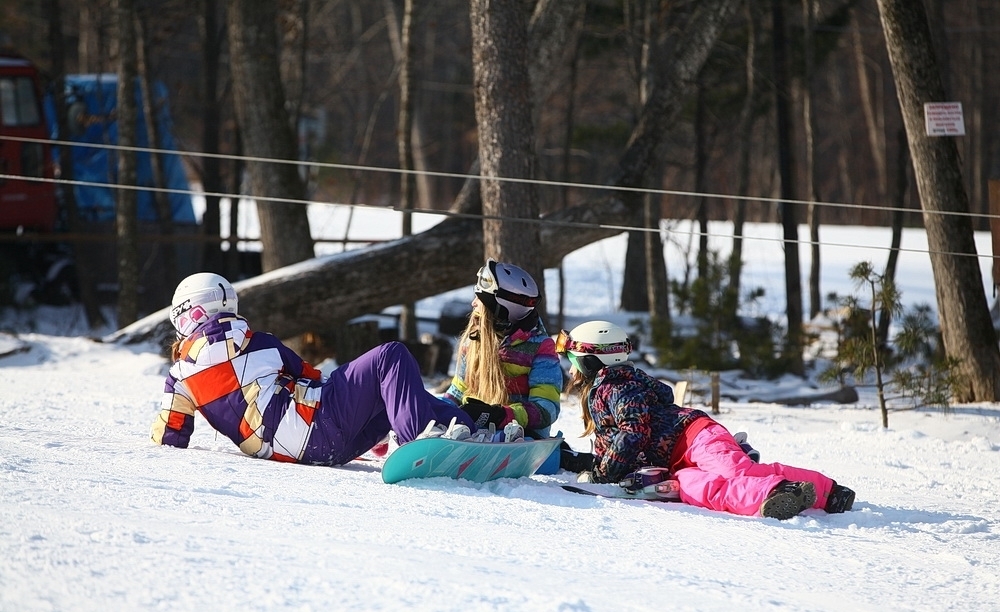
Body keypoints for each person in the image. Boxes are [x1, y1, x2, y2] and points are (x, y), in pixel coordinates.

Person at [151, 272, 516, 466]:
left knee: (398, 396)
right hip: (319, 431)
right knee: (390, 357)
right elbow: (313, 379)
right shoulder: (259, 343)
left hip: (308, 452)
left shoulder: (180, 377)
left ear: (186, 316)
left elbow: (171, 437)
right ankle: (428, 441)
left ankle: (462, 431)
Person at [557, 320, 856, 520]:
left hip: (695, 437)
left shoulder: (619, 388)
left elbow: (632, 433)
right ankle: (775, 494)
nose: (569, 370)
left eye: (571, 360)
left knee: (739, 470)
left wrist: (603, 474)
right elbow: (614, 447)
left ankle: (828, 493)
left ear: (591, 360)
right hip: (676, 465)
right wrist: (581, 463)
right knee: (699, 489)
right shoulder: (609, 391)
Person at [441, 260, 565, 451]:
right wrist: (436, 410)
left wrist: (499, 415)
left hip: (521, 438)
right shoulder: (473, 340)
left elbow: (546, 409)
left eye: (479, 299)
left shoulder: (540, 348)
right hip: (474, 429)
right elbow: (457, 392)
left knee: (498, 437)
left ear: (498, 310)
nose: (473, 303)